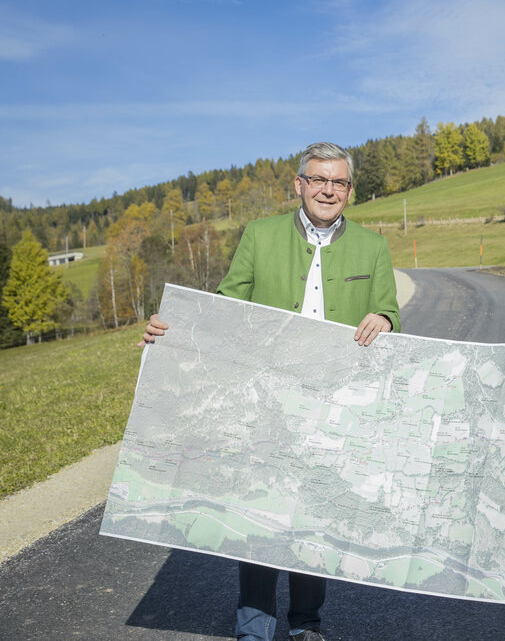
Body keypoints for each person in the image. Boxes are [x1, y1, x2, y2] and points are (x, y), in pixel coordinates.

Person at [140, 141, 401, 641]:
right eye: (319, 180)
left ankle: (306, 625)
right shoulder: (259, 236)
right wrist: (172, 331)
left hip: (332, 403)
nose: (329, 189)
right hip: (266, 401)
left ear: (350, 190)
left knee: (314, 518)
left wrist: (385, 318)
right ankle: (253, 629)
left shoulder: (373, 246)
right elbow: (225, 306)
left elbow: (390, 309)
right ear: (300, 184)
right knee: (257, 516)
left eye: (339, 182)